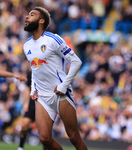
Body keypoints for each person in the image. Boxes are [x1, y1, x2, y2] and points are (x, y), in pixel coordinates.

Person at [23, 6, 87, 150]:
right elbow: (34, 69)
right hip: (42, 96)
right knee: (44, 138)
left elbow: (77, 62)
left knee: (74, 137)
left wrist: (64, 85)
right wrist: (33, 89)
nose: (27, 17)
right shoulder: (26, 45)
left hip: (60, 93)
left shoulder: (54, 39)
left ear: (41, 21)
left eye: (31, 15)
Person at [17, 71, 46, 150]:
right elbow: (27, 89)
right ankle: (20, 147)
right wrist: (26, 103)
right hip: (32, 104)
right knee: (24, 125)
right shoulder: (31, 73)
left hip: (43, 104)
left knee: (44, 130)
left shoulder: (46, 71)